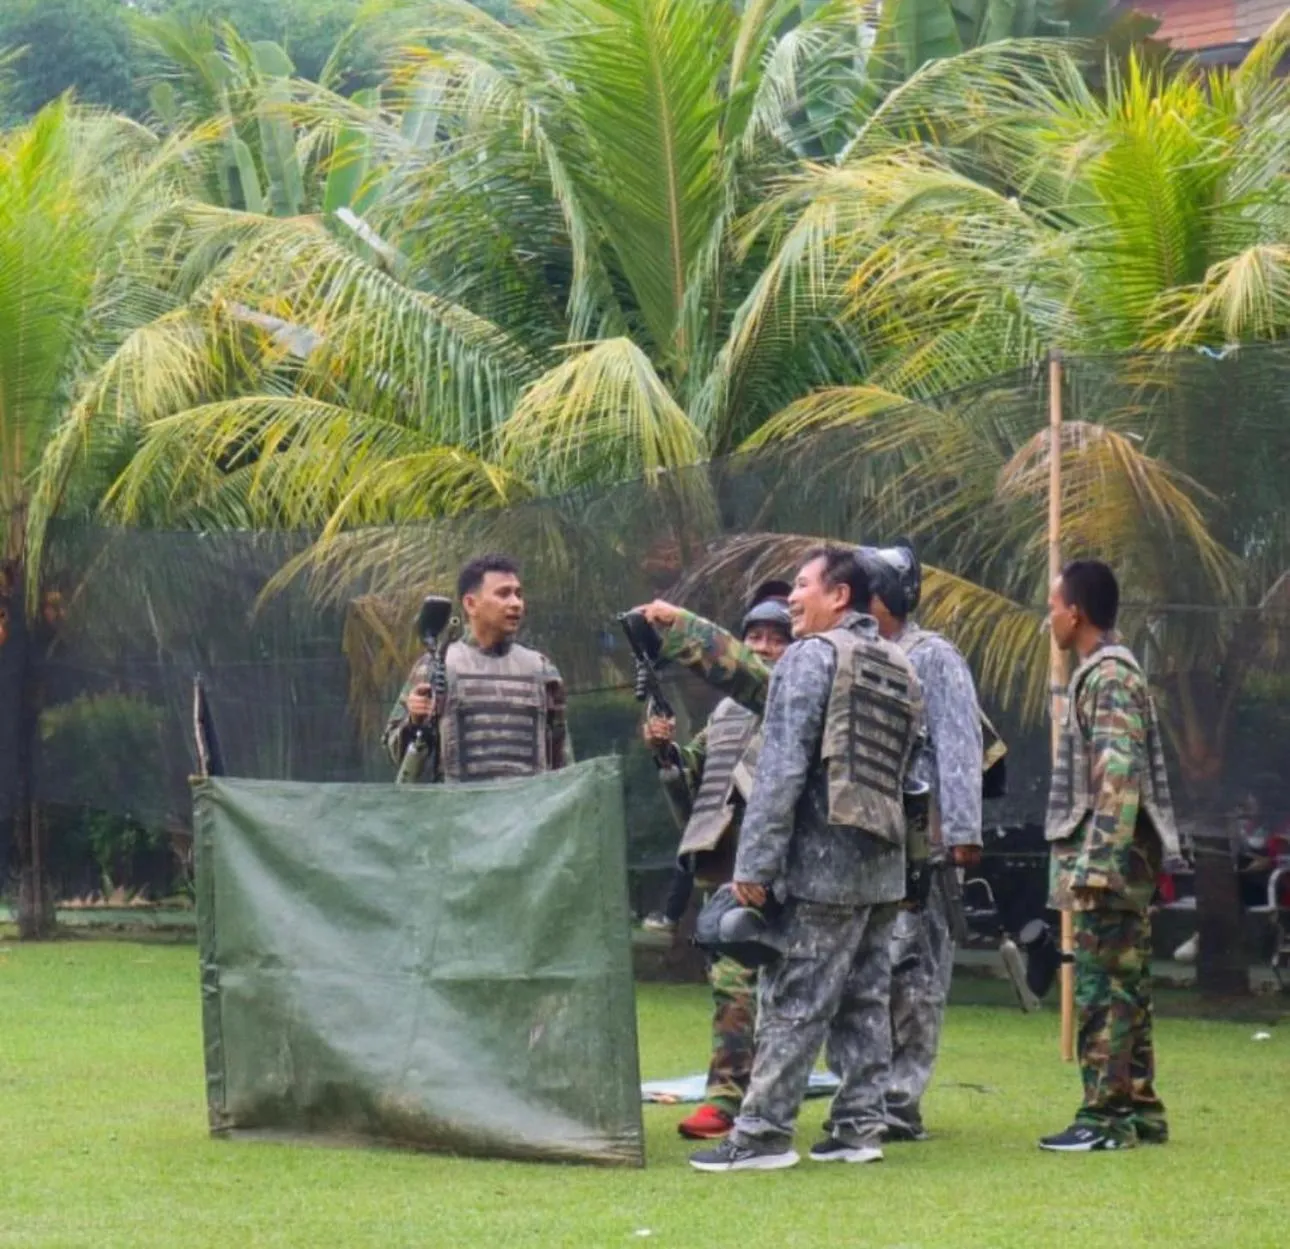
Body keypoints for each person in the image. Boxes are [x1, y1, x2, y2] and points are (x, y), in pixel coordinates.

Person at [644, 546, 925, 1172]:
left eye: (801, 586)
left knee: (793, 997)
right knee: (864, 999)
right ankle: (856, 1129)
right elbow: (913, 773)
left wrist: (754, 866)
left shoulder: (811, 657)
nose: (792, 598)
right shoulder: (897, 664)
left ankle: (764, 1136)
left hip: (822, 861)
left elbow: (781, 769)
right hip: (882, 861)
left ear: (839, 596)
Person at [639, 588, 793, 1139]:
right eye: (756, 638)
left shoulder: (794, 702)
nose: (766, 647)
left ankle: (753, 1102)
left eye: (778, 639)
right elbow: (693, 785)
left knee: (791, 989)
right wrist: (666, 752)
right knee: (733, 984)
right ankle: (732, 1101)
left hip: (784, 869)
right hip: (728, 870)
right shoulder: (727, 713)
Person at [1042, 559, 1183, 1152]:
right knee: (1127, 988)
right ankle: (1141, 1111)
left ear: (1075, 612)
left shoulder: (1108, 677)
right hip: (1123, 862)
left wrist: (1097, 867)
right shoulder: (1110, 675)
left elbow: (1117, 776)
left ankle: (1104, 1120)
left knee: (1103, 990)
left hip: (1113, 865)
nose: (1049, 617)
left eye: (1053, 606)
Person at [856, 542, 986, 1143]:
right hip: (868, 843)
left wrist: (960, 833)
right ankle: (866, 1094)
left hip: (923, 845)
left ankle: (899, 1104)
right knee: (871, 973)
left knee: (916, 977)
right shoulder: (852, 653)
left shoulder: (933, 656)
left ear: (881, 598)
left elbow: (960, 745)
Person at [383, 554, 570, 781]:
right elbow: (397, 756)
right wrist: (414, 722)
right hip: (460, 813)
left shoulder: (541, 670)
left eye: (518, 594)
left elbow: (563, 763)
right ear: (471, 604)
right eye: (503, 594)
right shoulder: (436, 667)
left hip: (529, 813)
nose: (516, 603)